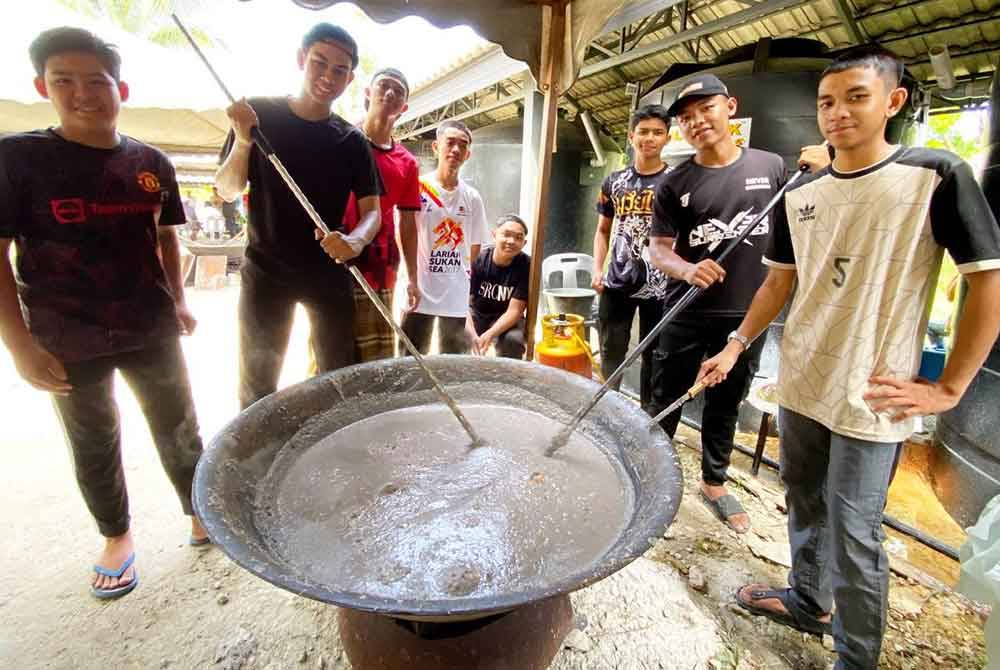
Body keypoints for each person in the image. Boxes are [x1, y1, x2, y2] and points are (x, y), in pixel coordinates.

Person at [697, 46, 1000, 669]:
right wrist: (735, 345)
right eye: (827, 102)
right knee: (802, 499)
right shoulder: (802, 193)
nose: (837, 113)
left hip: (874, 394)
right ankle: (809, 602)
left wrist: (948, 391)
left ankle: (856, 658)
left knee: (857, 533)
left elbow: (987, 281)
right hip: (804, 379)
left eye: (856, 97)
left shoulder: (934, 174)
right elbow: (778, 283)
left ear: (893, 101)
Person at [0, 27, 208, 599]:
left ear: (122, 88)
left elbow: (166, 238)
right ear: (43, 86)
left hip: (149, 321)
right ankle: (116, 536)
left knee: (179, 425)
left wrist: (180, 301)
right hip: (66, 331)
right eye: (65, 81)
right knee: (93, 437)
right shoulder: (18, 159)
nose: (83, 93)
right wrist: (19, 344)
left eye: (97, 81)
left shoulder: (151, 162)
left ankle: (198, 513)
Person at [647, 73, 788, 534]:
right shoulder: (673, 182)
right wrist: (687, 269)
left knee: (726, 399)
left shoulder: (771, 168)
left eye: (705, 109)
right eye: (686, 118)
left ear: (730, 107)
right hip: (685, 309)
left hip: (748, 311)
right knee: (666, 395)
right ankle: (654, 478)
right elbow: (659, 249)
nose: (696, 122)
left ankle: (714, 481)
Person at [215, 23, 383, 409]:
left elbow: (372, 212)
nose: (328, 76)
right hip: (266, 270)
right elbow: (226, 188)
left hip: (327, 268)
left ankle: (333, 448)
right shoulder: (257, 115)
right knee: (258, 380)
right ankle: (258, 459)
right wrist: (243, 140)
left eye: (339, 70)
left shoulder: (351, 139)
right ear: (300, 59)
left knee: (338, 372)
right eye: (319, 62)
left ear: (349, 78)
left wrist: (355, 240)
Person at [591, 104, 672, 408]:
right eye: (643, 131)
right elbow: (602, 230)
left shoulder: (675, 182)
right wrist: (597, 269)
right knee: (612, 351)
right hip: (617, 282)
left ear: (667, 138)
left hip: (659, 285)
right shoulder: (614, 182)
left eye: (657, 132)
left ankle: (646, 420)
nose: (649, 138)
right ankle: (607, 409)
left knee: (654, 355)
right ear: (631, 135)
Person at [338, 67, 421, 361]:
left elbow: (408, 223)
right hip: (336, 261)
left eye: (398, 91)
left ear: (404, 108)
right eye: (384, 86)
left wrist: (413, 277)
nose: (389, 93)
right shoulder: (340, 141)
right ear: (367, 93)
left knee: (376, 356)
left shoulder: (407, 163)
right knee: (334, 350)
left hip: (381, 268)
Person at [401, 120, 488, 354]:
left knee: (454, 359)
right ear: (435, 146)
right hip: (420, 289)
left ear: (468, 154)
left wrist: (461, 276)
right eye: (450, 143)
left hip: (454, 293)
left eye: (463, 145)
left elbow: (475, 245)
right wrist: (410, 278)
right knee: (411, 356)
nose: (456, 150)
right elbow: (405, 232)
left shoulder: (472, 197)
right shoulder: (418, 187)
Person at [467, 214, 531, 358]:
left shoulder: (527, 266)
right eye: (506, 234)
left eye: (518, 237)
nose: (511, 241)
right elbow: (462, 301)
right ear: (494, 235)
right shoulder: (479, 259)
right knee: (458, 333)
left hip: (507, 319)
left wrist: (490, 334)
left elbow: (515, 311)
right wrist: (471, 333)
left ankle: (508, 378)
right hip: (477, 314)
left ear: (524, 243)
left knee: (513, 341)